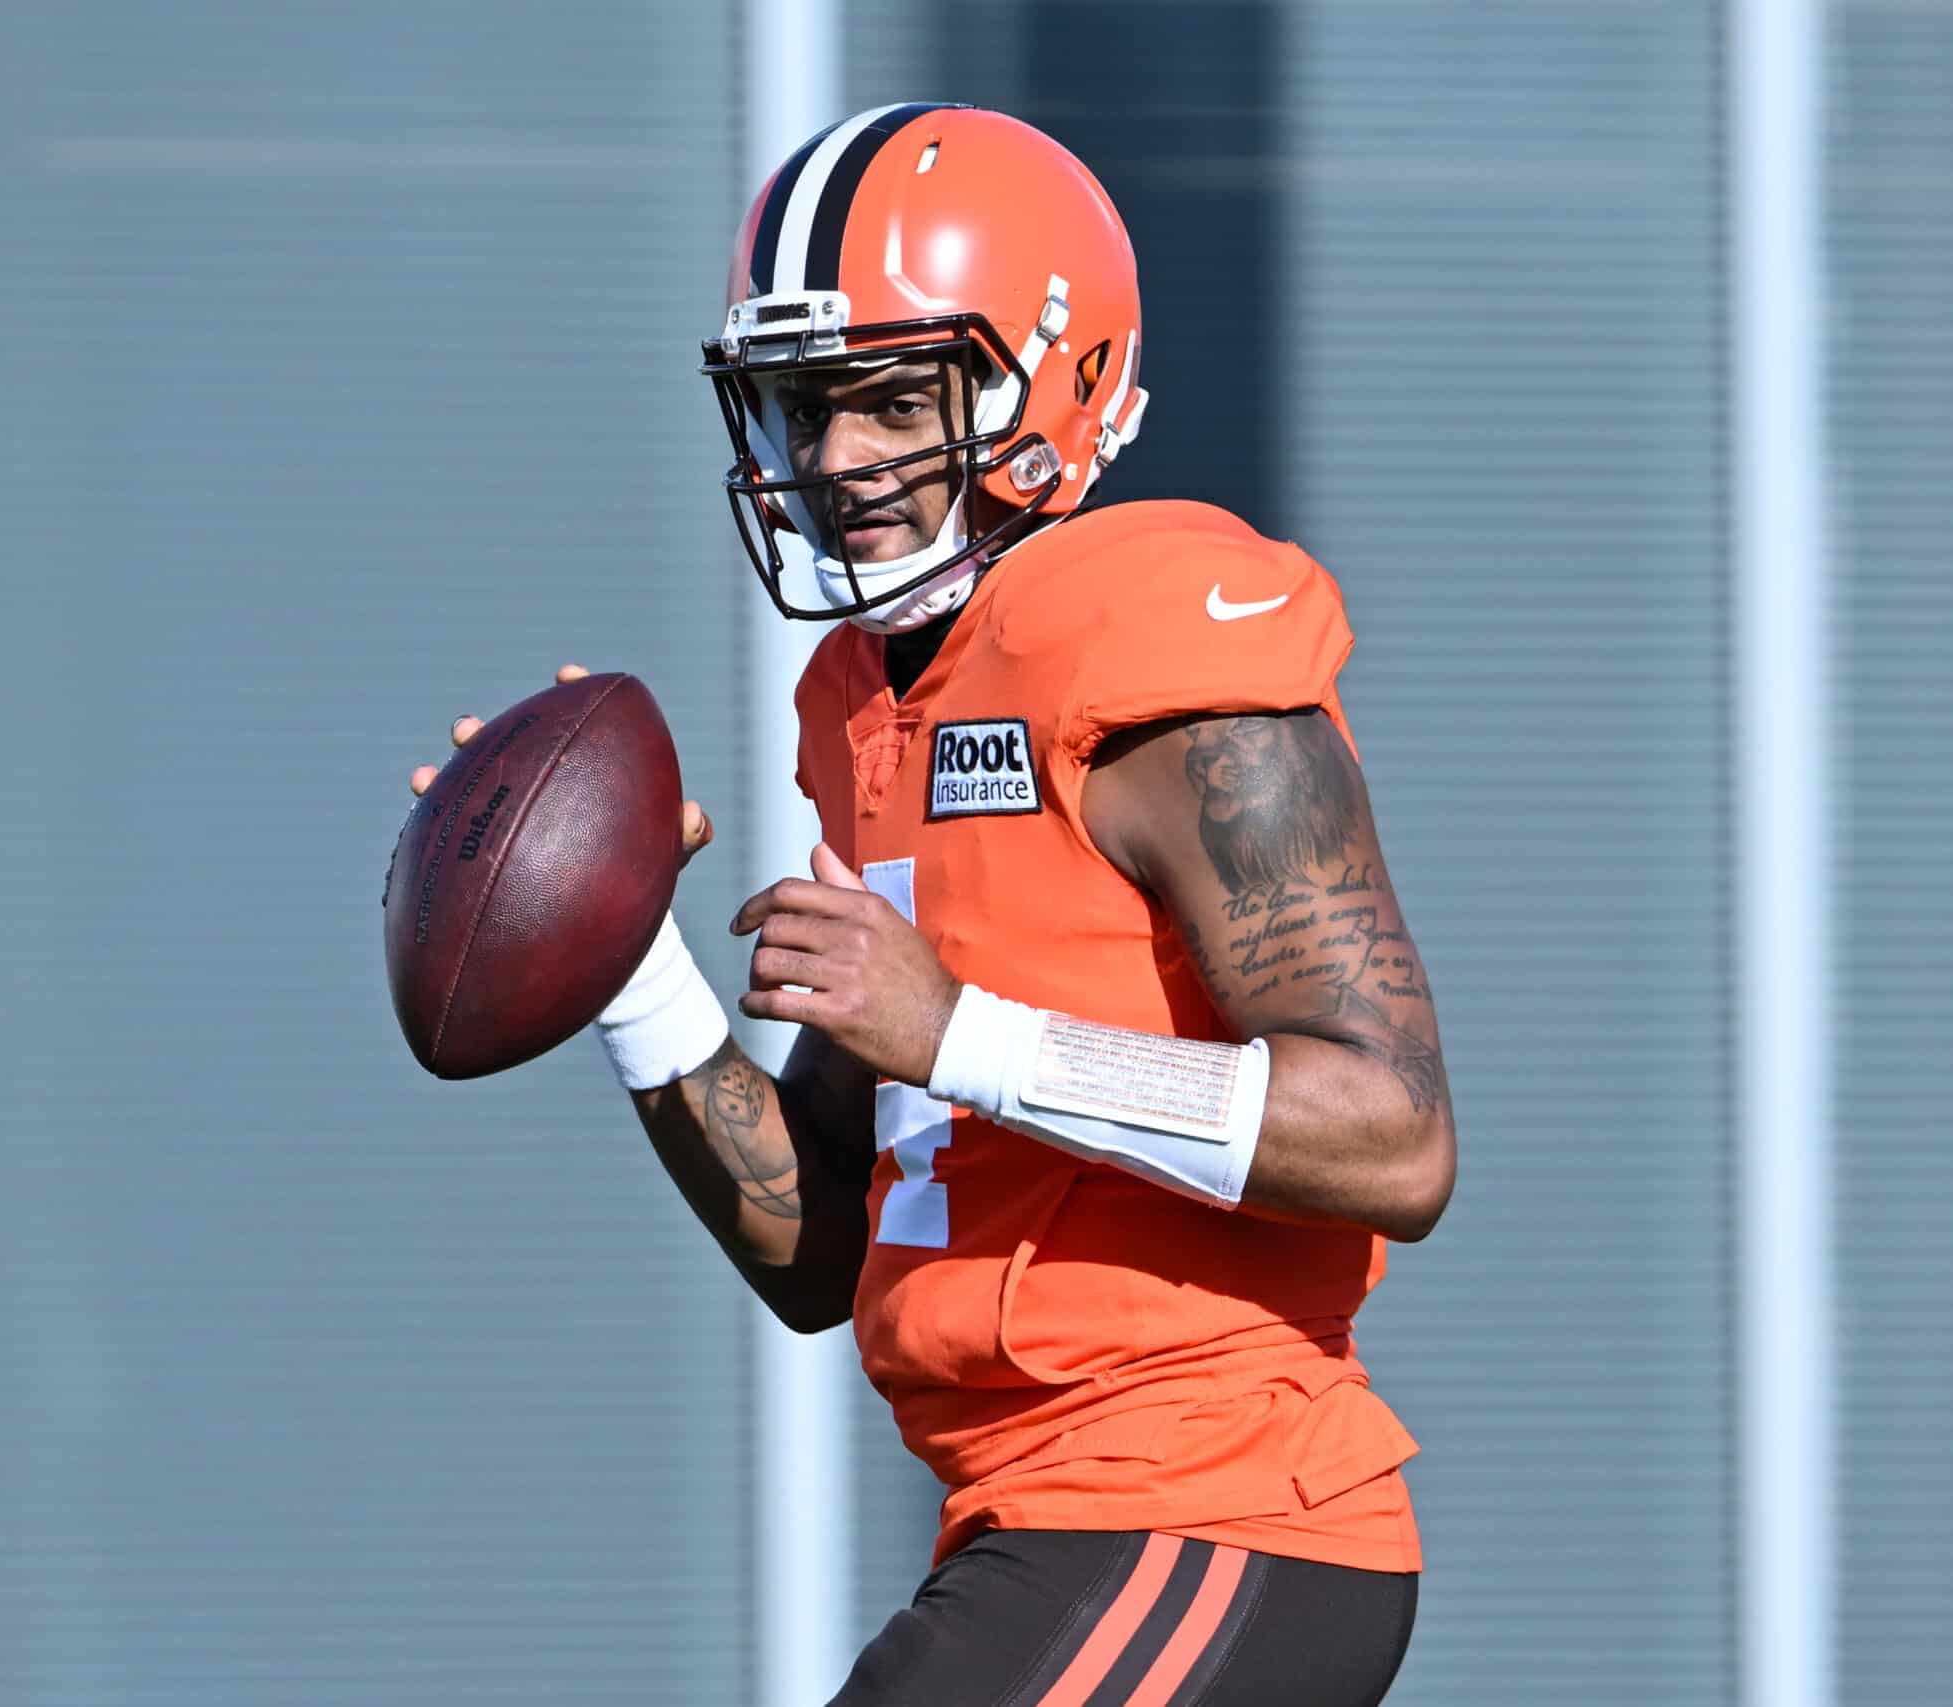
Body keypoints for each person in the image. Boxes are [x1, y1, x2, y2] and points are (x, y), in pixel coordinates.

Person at [410, 103, 1454, 1706]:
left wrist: (964, 1033)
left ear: (1046, 384)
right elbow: (823, 1247)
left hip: (1215, 1502)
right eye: (800, 411)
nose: (834, 466)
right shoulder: (867, 705)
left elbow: (1393, 1137)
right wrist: (632, 972)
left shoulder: (1153, 654)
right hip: (1035, 1517)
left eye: (889, 401)